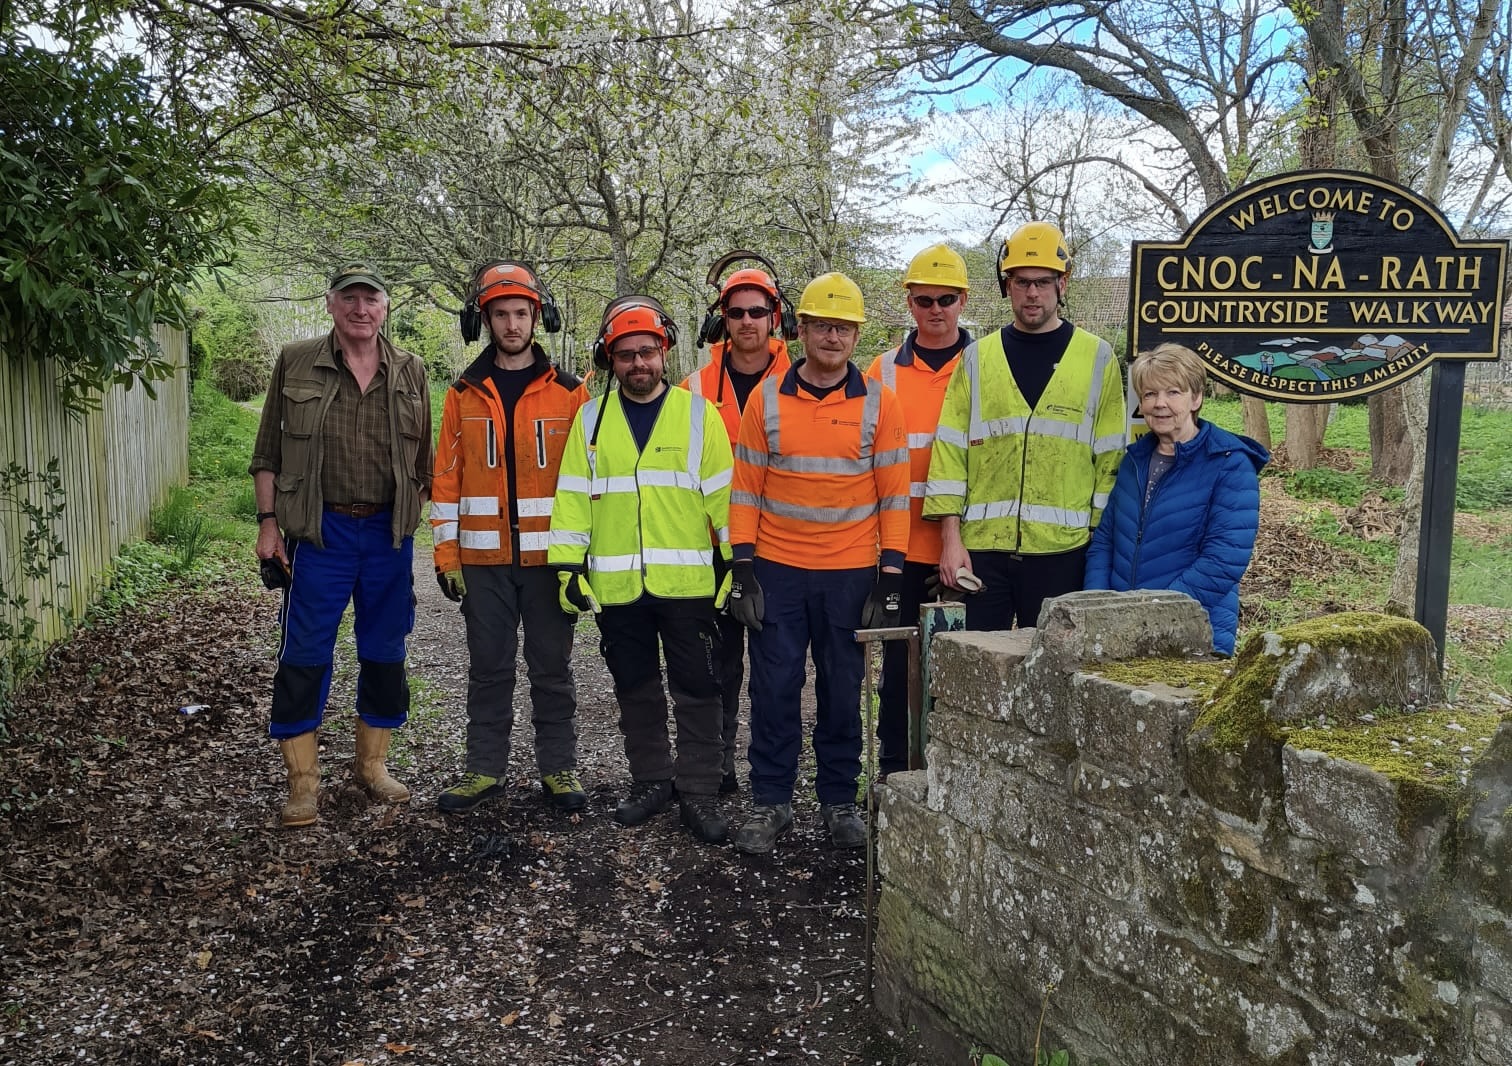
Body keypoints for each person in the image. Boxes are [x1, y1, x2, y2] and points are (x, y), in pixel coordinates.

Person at [725, 272, 910, 854]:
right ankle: (771, 800)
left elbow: (895, 495)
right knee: (774, 687)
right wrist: (742, 569)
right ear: (799, 329)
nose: (833, 337)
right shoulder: (766, 399)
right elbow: (745, 490)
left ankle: (838, 801)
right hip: (777, 570)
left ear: (856, 335)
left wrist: (891, 577)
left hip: (850, 574)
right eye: (823, 326)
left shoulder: (879, 402)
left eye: (844, 328)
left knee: (843, 688)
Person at [250, 261, 433, 828]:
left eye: (370, 299)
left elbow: (425, 460)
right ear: (330, 304)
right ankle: (303, 785)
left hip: (386, 537)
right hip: (319, 533)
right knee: (304, 654)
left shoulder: (411, 370)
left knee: (385, 650)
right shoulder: (296, 360)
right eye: (349, 298)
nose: (360, 308)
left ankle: (371, 767)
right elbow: (267, 453)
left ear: (385, 308)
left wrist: (410, 514)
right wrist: (268, 523)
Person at [548, 296, 734, 845]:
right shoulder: (590, 420)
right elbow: (573, 497)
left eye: (647, 352)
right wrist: (567, 567)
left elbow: (726, 498)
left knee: (698, 688)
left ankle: (699, 790)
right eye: (626, 354)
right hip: (618, 586)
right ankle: (651, 780)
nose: (638, 363)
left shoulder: (699, 415)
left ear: (664, 352)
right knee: (635, 686)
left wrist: (736, 562)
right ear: (610, 359)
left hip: (689, 586)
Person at [430, 261, 590, 815]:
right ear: (485, 320)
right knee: (489, 669)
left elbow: (587, 481)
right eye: (501, 314)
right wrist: (446, 554)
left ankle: (559, 767)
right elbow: (445, 479)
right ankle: (483, 768)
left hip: (550, 561)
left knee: (552, 669)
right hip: (483, 561)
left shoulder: (571, 393)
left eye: (521, 313)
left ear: (537, 317)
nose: (512, 324)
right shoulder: (462, 394)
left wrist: (580, 557)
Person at [924, 221, 1125, 631]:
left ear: (1062, 284)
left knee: (1056, 666)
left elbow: (1110, 460)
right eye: (1021, 282)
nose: (1032, 292)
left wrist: (1097, 546)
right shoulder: (977, 359)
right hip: (982, 551)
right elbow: (950, 451)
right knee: (978, 664)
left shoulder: (1097, 357)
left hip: (1064, 552)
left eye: (1043, 282)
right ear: (1007, 286)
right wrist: (950, 540)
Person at [682, 259, 793, 794]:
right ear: (721, 319)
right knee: (716, 665)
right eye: (736, 312)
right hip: (712, 548)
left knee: (777, 668)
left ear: (775, 317)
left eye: (757, 311)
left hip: (780, 548)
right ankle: (716, 763)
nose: (747, 321)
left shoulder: (803, 380)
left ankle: (773, 775)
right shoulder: (694, 387)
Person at [863, 243, 972, 778]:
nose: (935, 310)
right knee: (898, 667)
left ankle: (953, 772)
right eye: (924, 300)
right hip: (898, 548)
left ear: (963, 301)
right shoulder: (881, 370)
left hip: (964, 546)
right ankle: (891, 771)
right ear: (909, 302)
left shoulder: (984, 365)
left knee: (962, 666)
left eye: (946, 299)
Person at [1084, 343, 1268, 655]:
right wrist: (1096, 605)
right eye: (1150, 394)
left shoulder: (1229, 463)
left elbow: (1223, 560)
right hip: (1120, 631)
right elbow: (1105, 542)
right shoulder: (1135, 461)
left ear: (1196, 398)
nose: (1160, 403)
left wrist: (1154, 614)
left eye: (1173, 392)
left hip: (1193, 633)